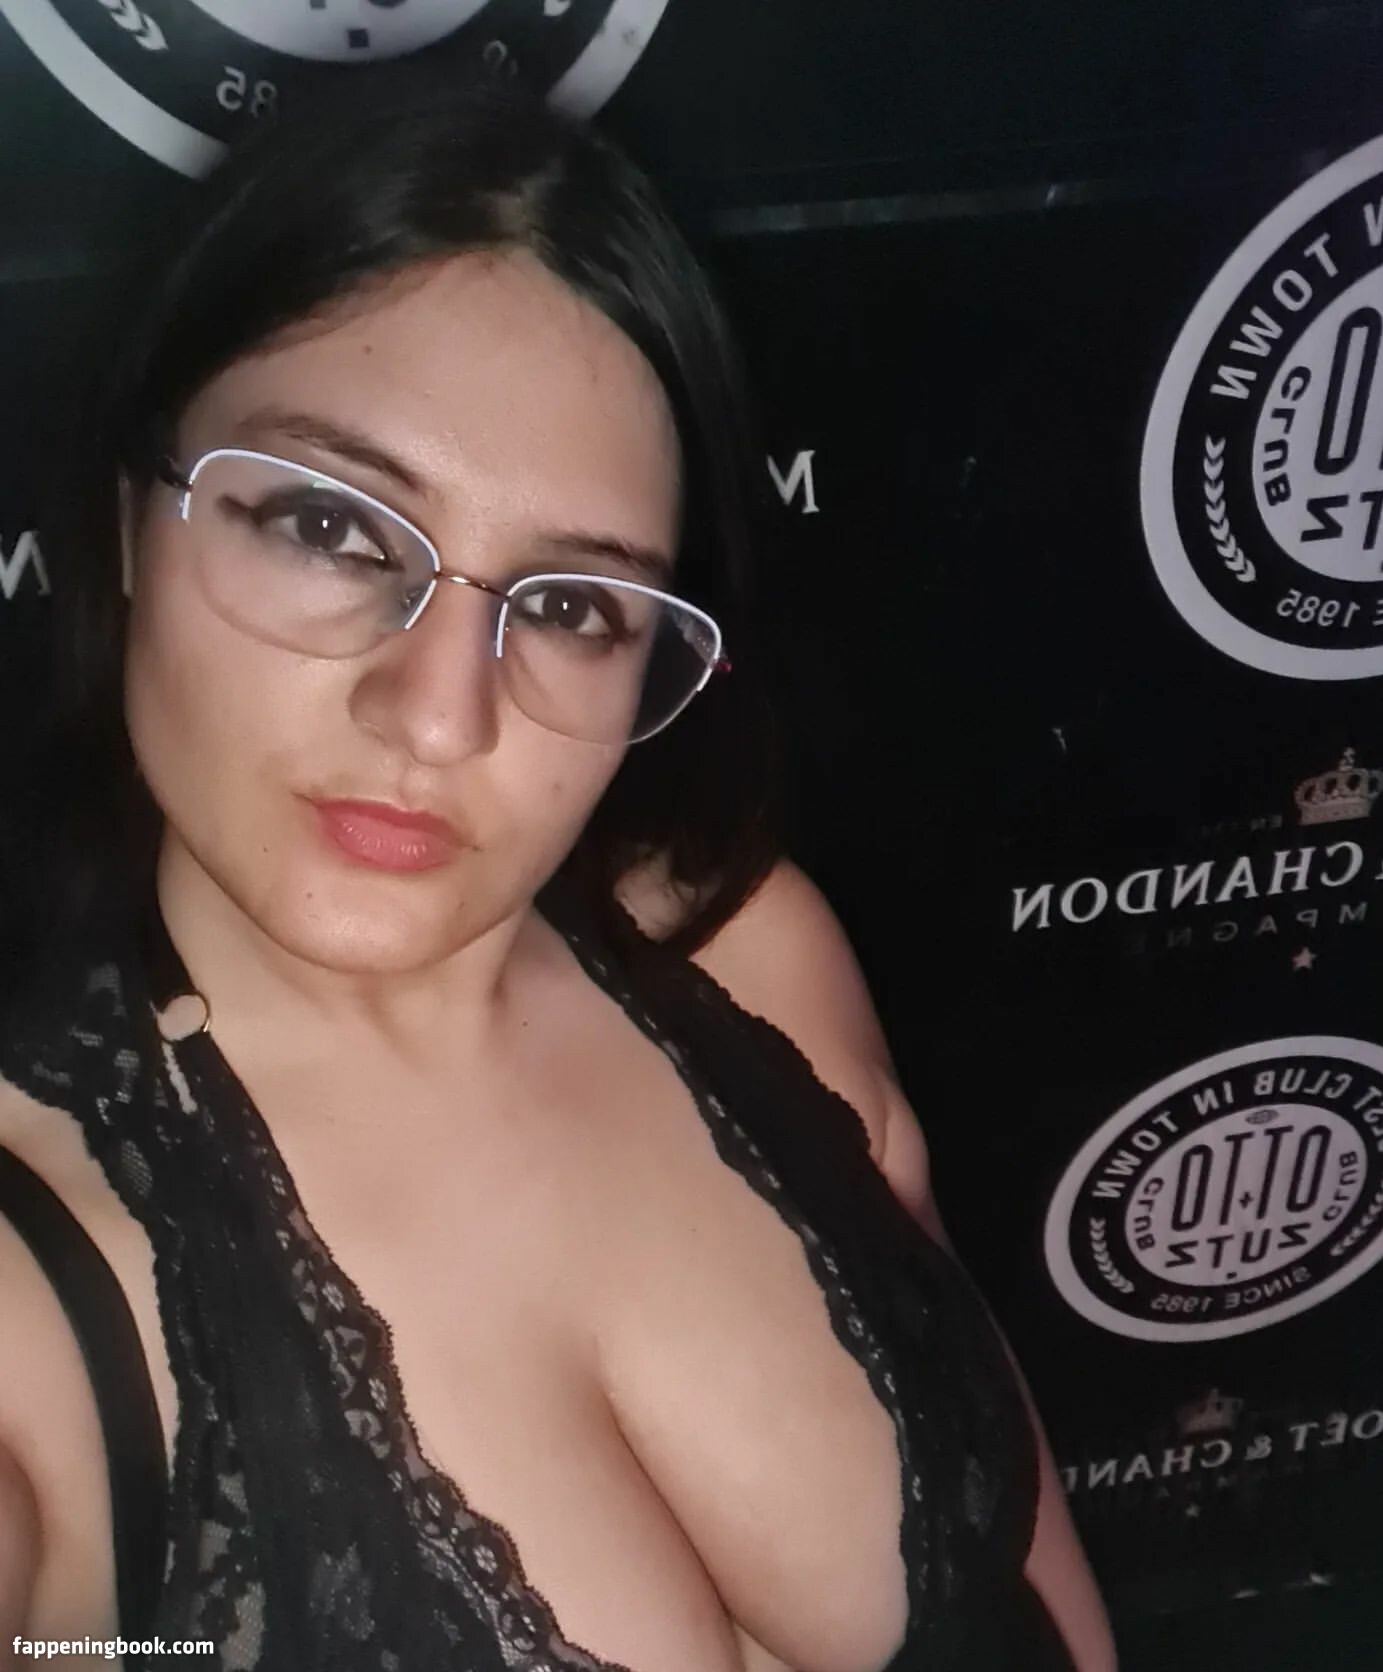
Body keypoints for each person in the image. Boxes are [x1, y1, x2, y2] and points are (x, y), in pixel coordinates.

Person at [0, 57, 1114, 1672]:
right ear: (129, 525)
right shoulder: (39, 1299)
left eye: (574, 606)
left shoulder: (746, 954)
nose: (437, 716)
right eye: (330, 529)